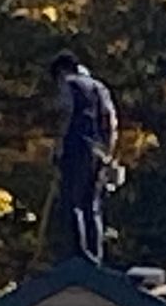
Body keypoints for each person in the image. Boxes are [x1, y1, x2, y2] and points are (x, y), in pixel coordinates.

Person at [50, 52, 117, 264]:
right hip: (98, 150)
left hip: (76, 146)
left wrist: (58, 147)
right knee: (92, 204)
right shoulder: (100, 87)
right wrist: (108, 152)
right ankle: (95, 256)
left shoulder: (68, 84)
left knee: (72, 201)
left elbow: (66, 115)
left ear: (61, 71)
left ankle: (77, 254)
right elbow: (111, 121)